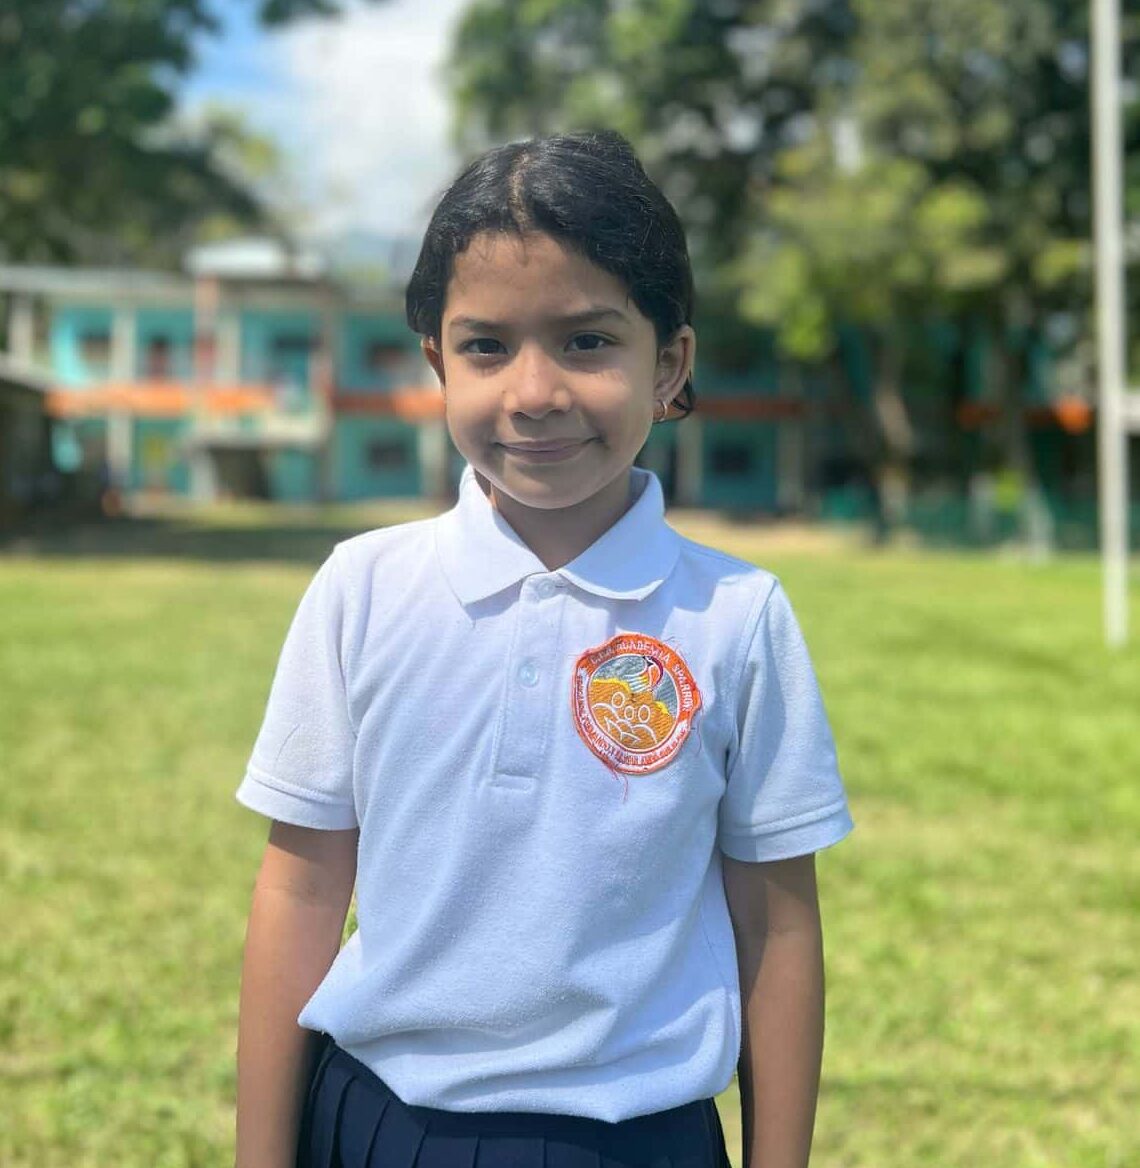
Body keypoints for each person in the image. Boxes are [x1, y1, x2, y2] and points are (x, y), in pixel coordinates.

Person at [234, 130, 853, 1168]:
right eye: (486, 346)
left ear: (670, 364)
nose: (533, 392)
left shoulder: (737, 617)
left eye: (587, 342)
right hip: (381, 1124)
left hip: (637, 1141)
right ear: (437, 362)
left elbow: (777, 927)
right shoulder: (362, 590)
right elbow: (299, 893)